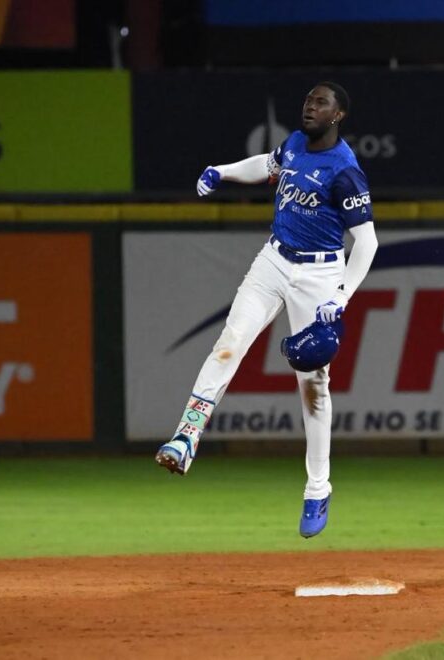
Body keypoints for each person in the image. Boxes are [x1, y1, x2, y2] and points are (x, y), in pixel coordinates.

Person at [154, 82, 379, 539]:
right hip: (274, 260)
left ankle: (318, 488)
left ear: (338, 115)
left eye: (321, 103)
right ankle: (186, 436)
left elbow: (367, 242)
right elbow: (268, 165)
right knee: (229, 342)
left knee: (313, 386)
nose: (310, 107)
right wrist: (222, 171)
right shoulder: (295, 143)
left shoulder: (344, 171)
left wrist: (341, 296)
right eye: (309, 100)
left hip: (319, 274)